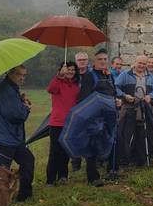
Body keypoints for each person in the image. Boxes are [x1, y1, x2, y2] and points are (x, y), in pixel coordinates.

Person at [0, 65, 34, 201]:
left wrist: (21, 101)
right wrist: (26, 108)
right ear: (10, 73)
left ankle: (24, 196)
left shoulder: (11, 88)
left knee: (28, 160)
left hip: (13, 137)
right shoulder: (5, 90)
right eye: (19, 74)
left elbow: (14, 109)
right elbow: (15, 115)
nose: (22, 78)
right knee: (0, 172)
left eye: (24, 75)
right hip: (5, 138)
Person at [77, 48, 120, 186]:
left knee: (111, 141)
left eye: (105, 59)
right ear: (94, 61)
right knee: (93, 146)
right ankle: (93, 177)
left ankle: (112, 170)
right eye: (100, 59)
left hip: (110, 116)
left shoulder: (109, 75)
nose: (102, 62)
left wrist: (117, 100)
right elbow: (83, 98)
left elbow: (112, 92)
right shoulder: (90, 76)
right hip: (95, 117)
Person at [115, 55, 153, 167]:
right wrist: (124, 95)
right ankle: (125, 160)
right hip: (129, 108)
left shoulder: (151, 76)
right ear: (135, 62)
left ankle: (142, 159)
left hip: (145, 108)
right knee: (127, 133)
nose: (141, 66)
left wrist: (150, 96)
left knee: (144, 133)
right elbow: (115, 87)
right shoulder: (125, 75)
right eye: (139, 63)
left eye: (144, 64)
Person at [45, 62, 80, 186]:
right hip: (57, 123)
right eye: (68, 69)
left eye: (73, 69)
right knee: (55, 151)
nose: (70, 72)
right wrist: (59, 75)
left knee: (66, 151)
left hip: (70, 123)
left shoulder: (76, 86)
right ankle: (50, 179)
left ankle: (63, 176)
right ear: (62, 70)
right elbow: (50, 89)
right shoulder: (58, 82)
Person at [71, 52, 90, 172]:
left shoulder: (92, 74)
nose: (82, 62)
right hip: (75, 110)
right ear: (76, 61)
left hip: (89, 109)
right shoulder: (71, 75)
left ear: (88, 61)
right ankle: (75, 162)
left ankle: (90, 161)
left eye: (84, 59)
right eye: (79, 60)